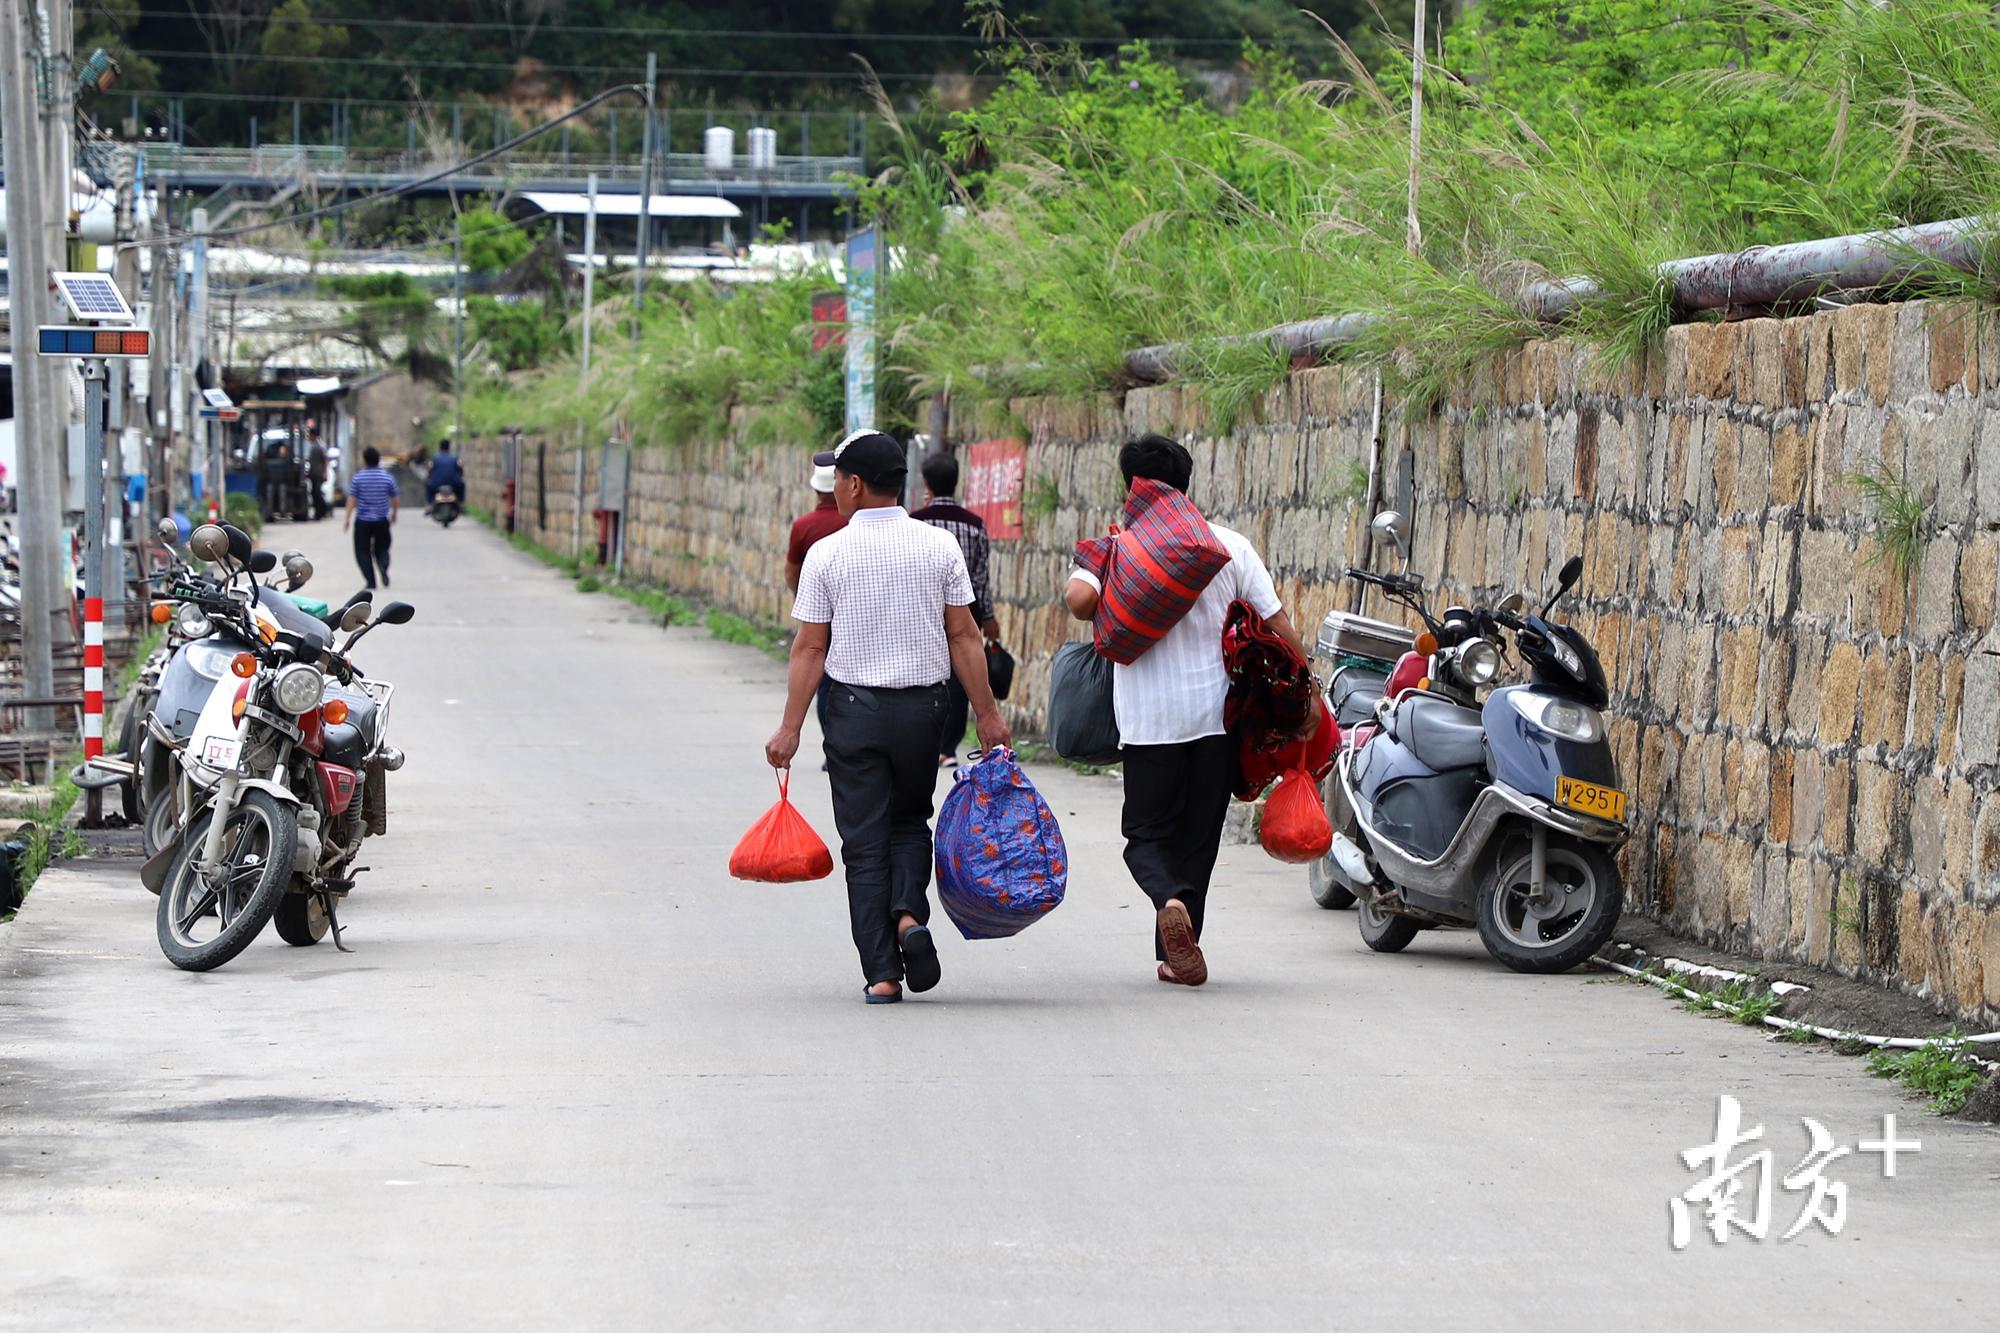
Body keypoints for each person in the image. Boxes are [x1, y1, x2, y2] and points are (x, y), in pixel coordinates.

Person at [765, 430, 1011, 1005]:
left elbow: (810, 648)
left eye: (838, 481)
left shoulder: (828, 553)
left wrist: (790, 727)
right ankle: (907, 916)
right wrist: (988, 715)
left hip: (854, 712)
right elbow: (964, 636)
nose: (835, 490)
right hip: (925, 711)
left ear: (853, 484)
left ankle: (882, 971)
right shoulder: (939, 547)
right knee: (909, 820)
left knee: (864, 841)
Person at [1063, 434, 1312, 988]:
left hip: (1149, 723)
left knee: (1145, 835)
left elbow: (1078, 603)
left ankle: (1167, 901)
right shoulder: (1229, 545)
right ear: (1184, 484)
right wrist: (1308, 683)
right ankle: (1176, 949)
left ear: (1132, 488)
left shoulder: (1118, 548)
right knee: (1198, 840)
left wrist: (1105, 558)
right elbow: (1276, 623)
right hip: (1218, 720)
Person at [910, 451, 1001, 765]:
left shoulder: (915, 521)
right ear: (956, 481)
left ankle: (926, 739)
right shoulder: (974, 525)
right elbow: (981, 578)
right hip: (965, 610)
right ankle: (948, 748)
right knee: (961, 680)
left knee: (926, 674)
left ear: (926, 483)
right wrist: (988, 617)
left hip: (924, 609)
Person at [784, 461, 846, 592]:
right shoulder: (852, 521)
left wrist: (802, 596)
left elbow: (791, 572)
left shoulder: (802, 526)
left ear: (817, 491)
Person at [344, 446, 400, 589]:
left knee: (362, 551)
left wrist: (347, 519)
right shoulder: (387, 477)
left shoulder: (358, 478)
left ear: (365, 461)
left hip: (363, 521)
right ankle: (383, 565)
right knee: (382, 548)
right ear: (378, 460)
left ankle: (371, 581)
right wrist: (394, 514)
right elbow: (395, 498)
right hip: (382, 520)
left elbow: (352, 499)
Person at [426, 439, 466, 513]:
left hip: (437, 484)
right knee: (462, 484)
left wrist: (430, 477)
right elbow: (460, 469)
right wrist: (459, 477)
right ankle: (461, 504)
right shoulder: (455, 457)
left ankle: (430, 505)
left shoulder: (434, 458)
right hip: (454, 483)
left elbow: (429, 470)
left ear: (440, 447)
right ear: (449, 447)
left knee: (428, 484)